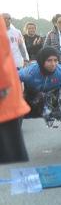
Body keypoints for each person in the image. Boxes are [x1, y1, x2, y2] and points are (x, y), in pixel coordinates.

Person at [19, 47, 61, 118]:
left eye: (55, 60)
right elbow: (15, 77)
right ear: (42, 61)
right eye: (49, 60)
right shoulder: (30, 72)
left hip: (53, 91)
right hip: (32, 91)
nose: (53, 64)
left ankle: (58, 109)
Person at [0, 16, 31, 163]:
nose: (7, 20)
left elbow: (21, 46)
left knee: (17, 94)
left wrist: (25, 59)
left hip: (16, 64)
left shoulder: (16, 32)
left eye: (9, 18)